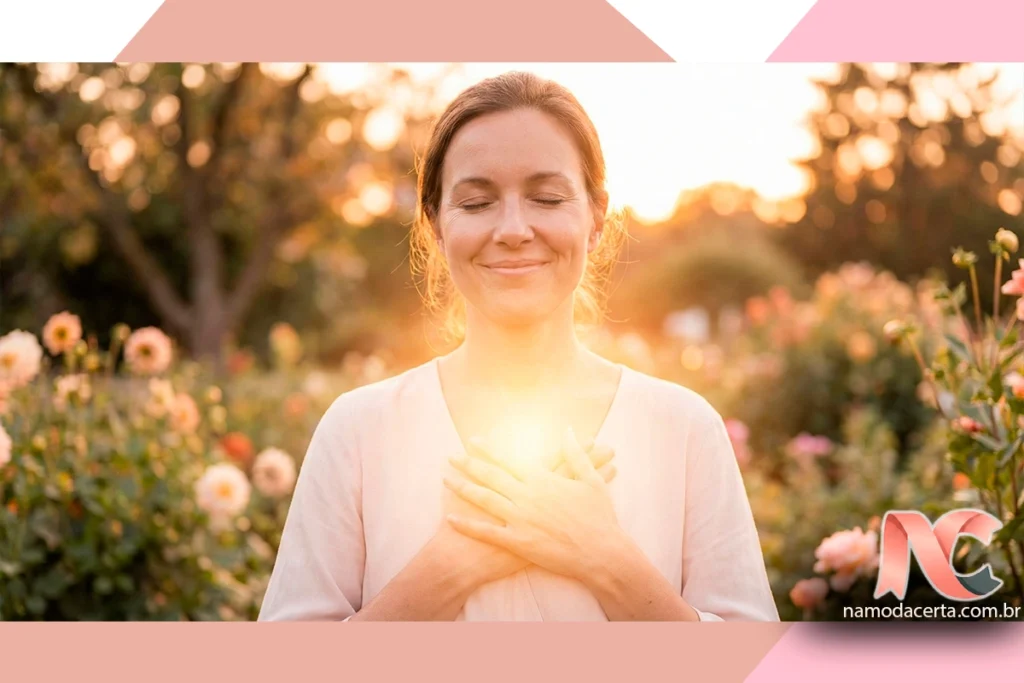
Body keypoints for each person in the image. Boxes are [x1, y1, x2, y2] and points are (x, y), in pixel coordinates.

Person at [258, 71, 779, 622]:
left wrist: (607, 560)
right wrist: (448, 569)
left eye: (547, 198)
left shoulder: (685, 429)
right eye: (476, 202)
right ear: (436, 226)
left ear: (596, 220)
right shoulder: (358, 431)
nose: (512, 229)